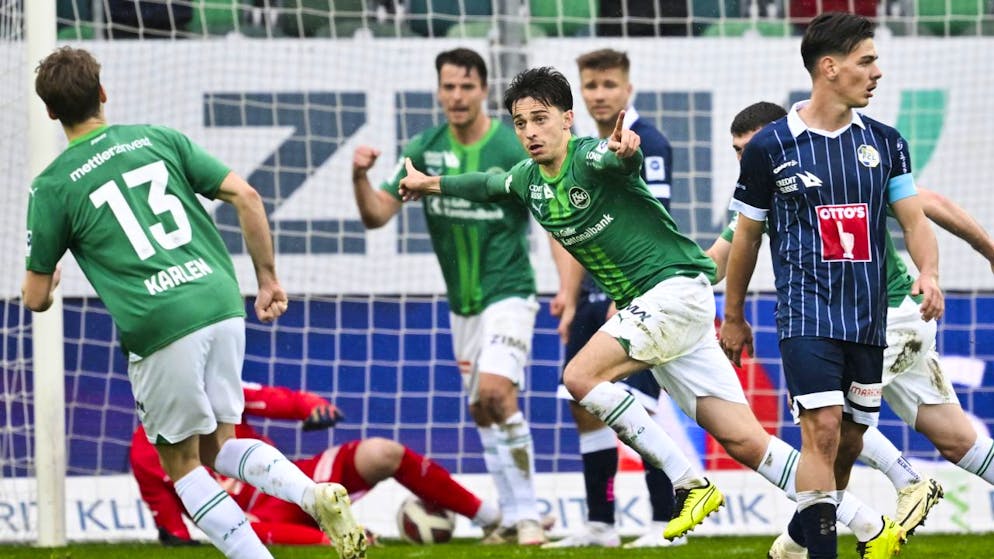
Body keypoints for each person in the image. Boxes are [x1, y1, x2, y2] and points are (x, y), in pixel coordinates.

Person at [397, 66, 899, 548]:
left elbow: (617, 161)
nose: (530, 131)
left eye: (541, 118)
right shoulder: (527, 178)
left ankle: (687, 481)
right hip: (670, 308)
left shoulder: (591, 155)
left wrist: (626, 152)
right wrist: (427, 184)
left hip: (673, 292)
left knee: (580, 378)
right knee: (747, 442)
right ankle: (868, 522)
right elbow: (485, 184)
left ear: (567, 119)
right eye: (521, 122)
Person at [23, 47, 365, 559]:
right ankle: (310, 493)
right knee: (222, 445)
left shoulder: (52, 185)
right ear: (102, 93)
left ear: (50, 112)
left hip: (159, 321)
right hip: (220, 301)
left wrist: (51, 283)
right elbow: (247, 196)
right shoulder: (158, 139)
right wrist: (267, 280)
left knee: (181, 465)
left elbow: (34, 297)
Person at [714, 101, 994, 558]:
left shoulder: (845, 170)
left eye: (752, 147)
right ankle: (802, 540)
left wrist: (988, 250)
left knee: (825, 425)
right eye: (737, 152)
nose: (747, 160)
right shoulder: (761, 200)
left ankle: (903, 483)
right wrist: (663, 280)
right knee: (957, 440)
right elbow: (714, 263)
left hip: (886, 319)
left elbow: (931, 204)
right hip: (896, 326)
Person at [719, 13, 944, 559]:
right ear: (829, 67)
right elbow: (745, 239)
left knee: (847, 440)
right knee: (819, 429)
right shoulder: (770, 147)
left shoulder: (886, 143)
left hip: (869, 318)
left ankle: (801, 540)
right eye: (866, 61)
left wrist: (930, 272)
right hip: (805, 314)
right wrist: (734, 315)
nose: (877, 72)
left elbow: (914, 220)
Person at [350, 47, 546, 545]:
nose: (457, 96)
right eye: (449, 86)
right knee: (482, 409)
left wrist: (566, 288)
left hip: (510, 290)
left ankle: (528, 515)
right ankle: (507, 517)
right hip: (462, 305)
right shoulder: (424, 147)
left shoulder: (511, 146)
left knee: (497, 393)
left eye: (467, 86)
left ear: (483, 91)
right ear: (438, 91)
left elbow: (553, 215)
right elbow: (377, 215)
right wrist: (359, 178)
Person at [544, 48, 680, 549]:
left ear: (627, 88)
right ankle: (601, 522)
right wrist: (569, 295)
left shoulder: (651, 143)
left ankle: (666, 520)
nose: (600, 94)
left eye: (608, 85)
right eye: (592, 86)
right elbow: (568, 229)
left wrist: (633, 295)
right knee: (582, 402)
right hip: (596, 291)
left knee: (636, 407)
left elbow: (653, 223)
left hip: (639, 290)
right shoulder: (579, 148)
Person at [131, 383, 501, 546]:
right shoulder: (144, 454)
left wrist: (312, 406)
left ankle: (491, 518)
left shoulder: (214, 391)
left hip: (298, 479)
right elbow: (176, 535)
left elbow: (278, 400)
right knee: (240, 527)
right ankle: (332, 534)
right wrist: (321, 541)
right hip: (265, 519)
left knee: (382, 452)